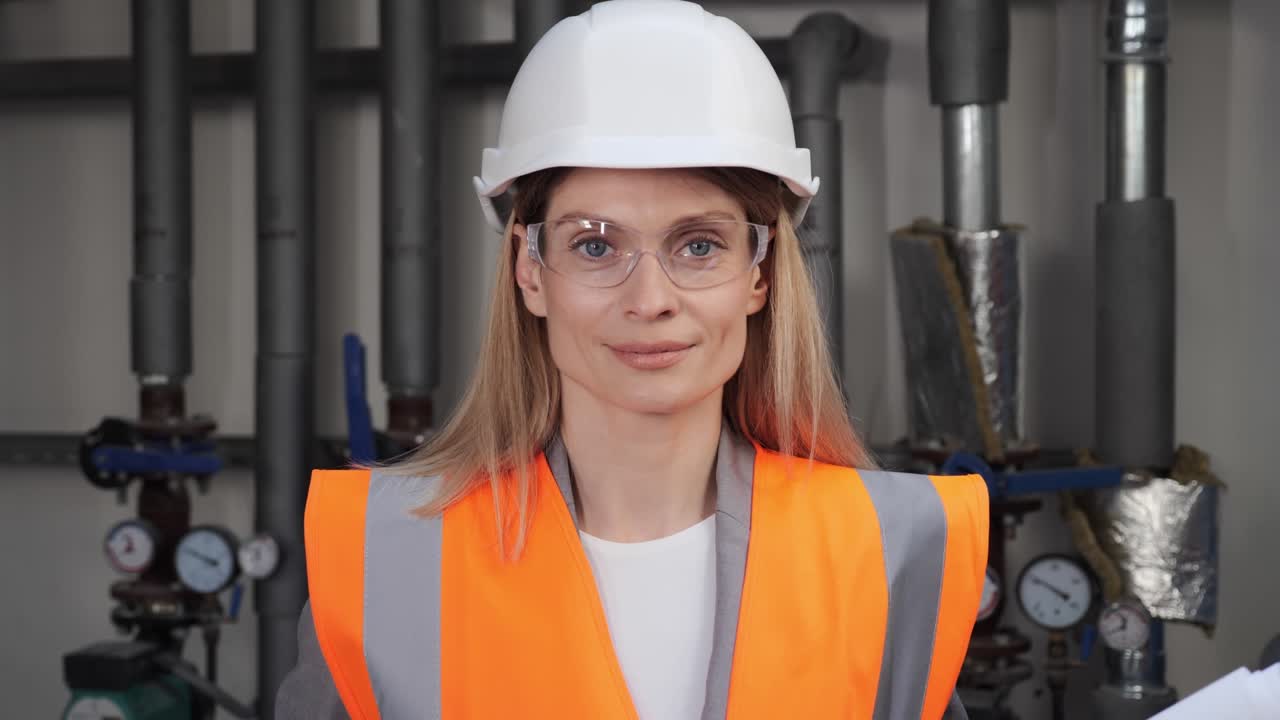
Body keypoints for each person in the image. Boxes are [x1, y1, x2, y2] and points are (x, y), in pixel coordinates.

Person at [276, 1, 989, 718]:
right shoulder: (390, 562)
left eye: (700, 244)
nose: (650, 299)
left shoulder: (890, 552)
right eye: (595, 244)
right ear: (530, 272)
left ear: (759, 275)